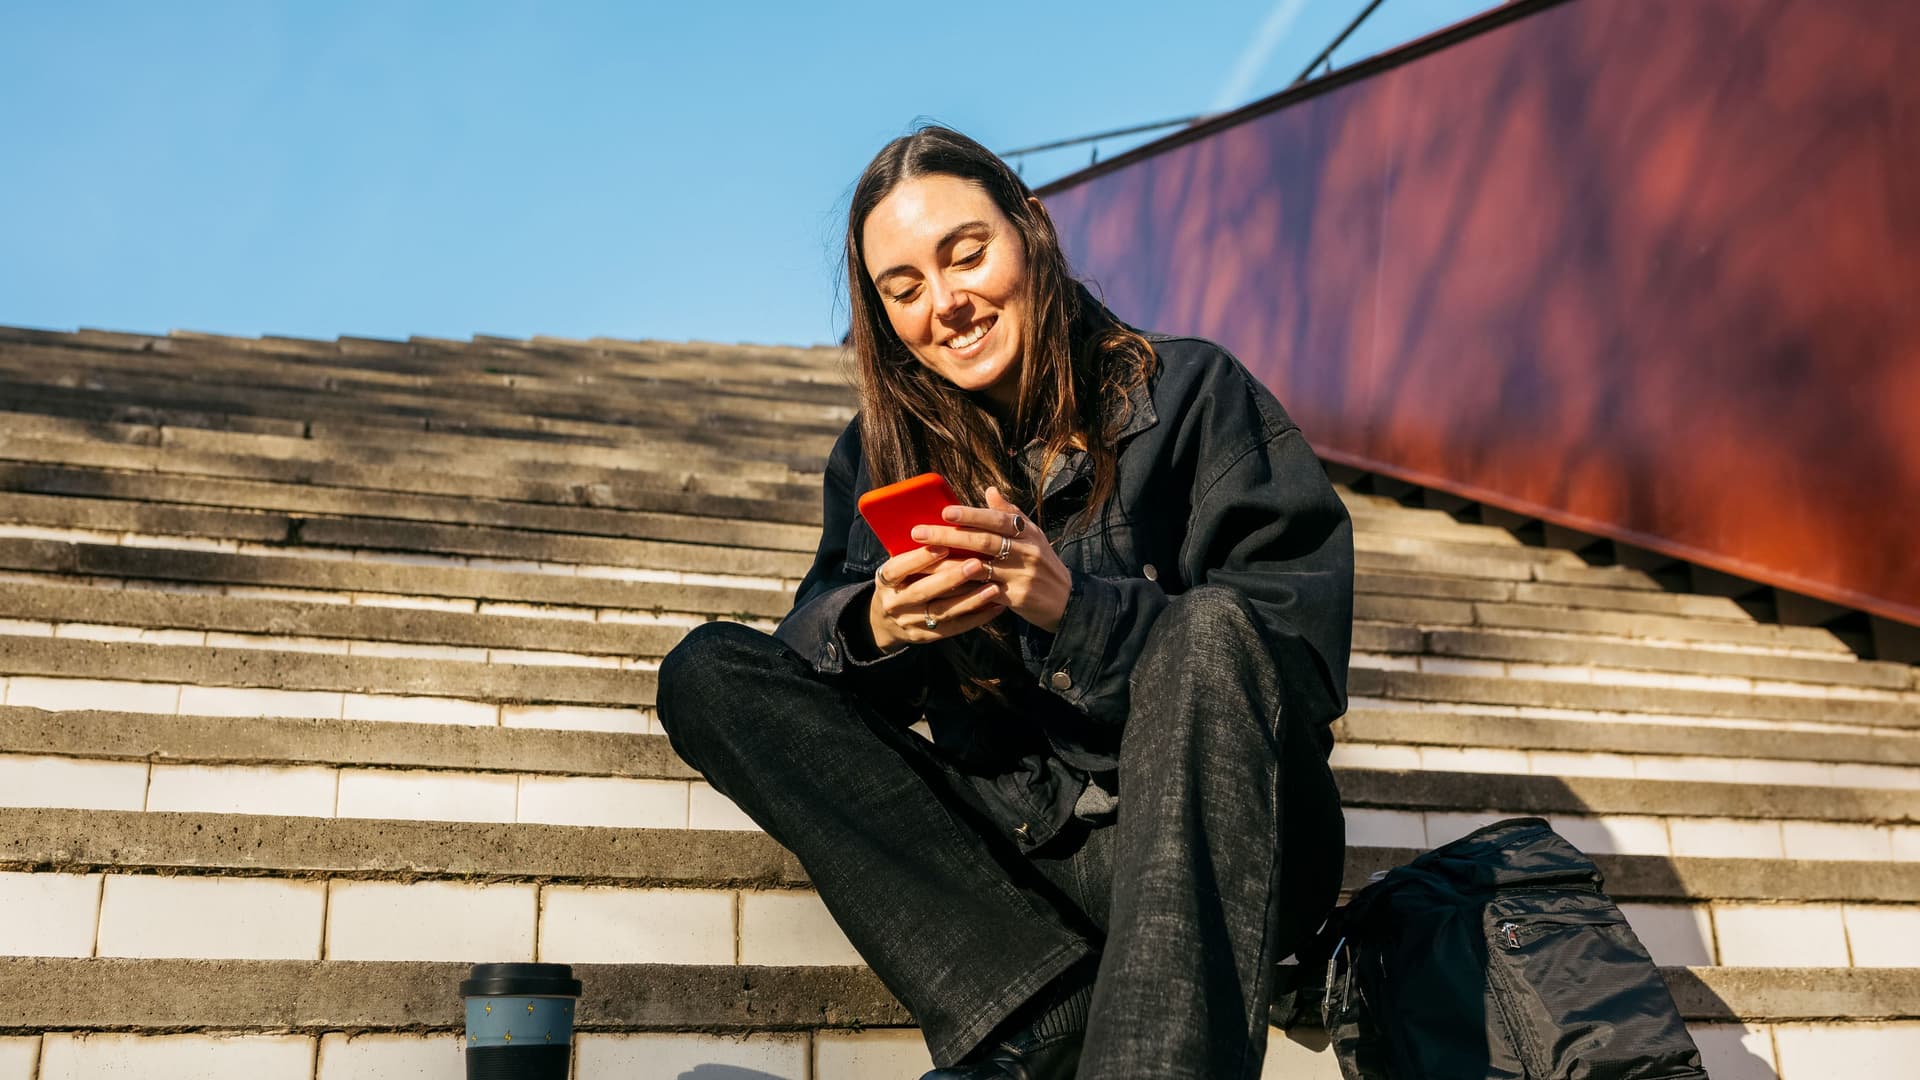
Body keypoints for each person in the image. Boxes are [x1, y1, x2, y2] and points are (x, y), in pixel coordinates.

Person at [658, 125, 1353, 1079]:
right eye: (903, 290)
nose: (946, 304)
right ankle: (1035, 1004)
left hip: (1229, 842)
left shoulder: (1194, 393)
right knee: (708, 672)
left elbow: (1295, 664)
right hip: (1025, 850)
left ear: (1031, 229)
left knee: (1215, 627)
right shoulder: (878, 456)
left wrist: (1077, 611)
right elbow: (805, 680)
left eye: (967, 254)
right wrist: (877, 625)